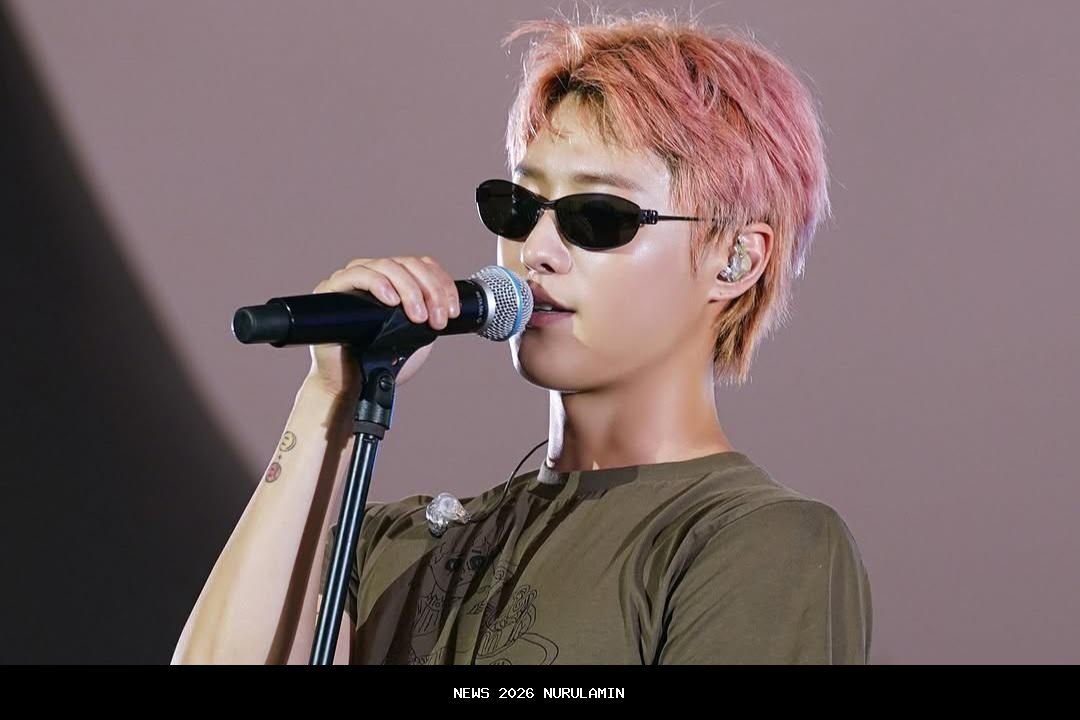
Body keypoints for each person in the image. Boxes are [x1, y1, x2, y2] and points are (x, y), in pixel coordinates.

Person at [172, 11, 872, 666]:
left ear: (736, 259)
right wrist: (330, 399)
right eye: (519, 206)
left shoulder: (757, 541)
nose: (536, 249)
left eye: (598, 215)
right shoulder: (395, 547)